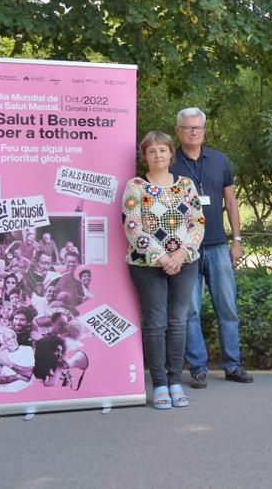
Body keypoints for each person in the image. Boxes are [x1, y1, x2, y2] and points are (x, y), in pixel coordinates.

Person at [170, 107, 253, 388]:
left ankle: (233, 365)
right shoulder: (170, 164)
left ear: (205, 130)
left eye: (199, 128)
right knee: (190, 310)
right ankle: (198, 367)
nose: (194, 132)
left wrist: (237, 240)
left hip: (218, 245)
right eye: (189, 128)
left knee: (227, 308)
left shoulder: (219, 160)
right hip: (185, 249)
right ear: (178, 131)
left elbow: (231, 202)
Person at [122, 130, 205, 409]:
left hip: (185, 262)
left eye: (163, 150)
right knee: (156, 322)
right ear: (144, 156)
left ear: (171, 154)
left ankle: (175, 382)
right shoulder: (136, 186)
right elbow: (133, 226)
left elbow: (197, 222)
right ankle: (158, 384)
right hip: (147, 265)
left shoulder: (186, 185)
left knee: (179, 321)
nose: (158, 155)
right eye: (152, 150)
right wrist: (161, 257)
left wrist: (180, 254)